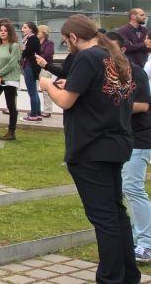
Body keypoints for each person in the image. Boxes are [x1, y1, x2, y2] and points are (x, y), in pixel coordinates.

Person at [40, 15, 140, 283]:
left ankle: (110, 278)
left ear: (73, 37)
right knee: (116, 213)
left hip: (90, 147)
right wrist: (67, 84)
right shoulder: (115, 56)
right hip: (116, 144)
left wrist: (49, 86)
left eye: (66, 41)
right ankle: (128, 274)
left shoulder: (87, 57)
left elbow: (67, 101)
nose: (67, 46)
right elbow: (96, 93)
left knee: (104, 217)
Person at [105, 31, 151, 263]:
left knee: (133, 189)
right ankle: (137, 237)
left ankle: (146, 243)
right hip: (123, 139)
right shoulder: (111, 73)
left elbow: (142, 105)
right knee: (126, 189)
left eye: (111, 49)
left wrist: (113, 107)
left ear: (122, 50)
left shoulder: (136, 72)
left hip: (140, 139)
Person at [19, 21, 44, 123]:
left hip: (30, 66)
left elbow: (26, 52)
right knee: (34, 91)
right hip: (31, 66)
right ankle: (37, 113)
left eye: (25, 27)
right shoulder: (31, 39)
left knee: (32, 92)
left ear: (31, 29)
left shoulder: (32, 38)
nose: (22, 29)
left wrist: (21, 52)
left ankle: (33, 115)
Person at [36, 25, 55, 118]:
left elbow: (47, 55)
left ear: (43, 33)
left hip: (45, 68)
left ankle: (47, 111)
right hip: (35, 68)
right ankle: (36, 109)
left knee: (46, 89)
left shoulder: (49, 43)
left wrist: (35, 57)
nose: (36, 33)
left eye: (38, 31)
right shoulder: (35, 43)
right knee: (34, 89)